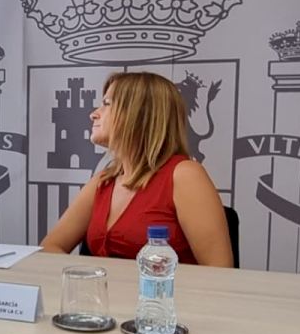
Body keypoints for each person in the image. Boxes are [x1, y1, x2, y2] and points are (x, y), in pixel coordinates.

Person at [40, 72, 234, 266]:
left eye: (107, 104)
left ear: (140, 114)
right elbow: (50, 247)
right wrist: (89, 277)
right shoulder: (103, 181)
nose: (94, 114)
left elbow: (220, 271)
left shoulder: (185, 175)